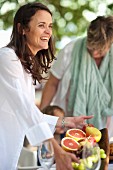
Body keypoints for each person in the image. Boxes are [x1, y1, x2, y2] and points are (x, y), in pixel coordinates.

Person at [0, 2, 93, 170]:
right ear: (22, 29)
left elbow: (31, 114)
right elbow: (25, 110)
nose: (48, 32)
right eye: (41, 25)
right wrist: (56, 150)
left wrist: (66, 121)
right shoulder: (7, 58)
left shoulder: (25, 66)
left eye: (50, 26)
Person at [40, 16, 113, 139]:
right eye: (91, 49)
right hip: (67, 124)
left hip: (107, 127)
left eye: (100, 51)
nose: (94, 53)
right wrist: (42, 117)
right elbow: (52, 83)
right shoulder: (69, 50)